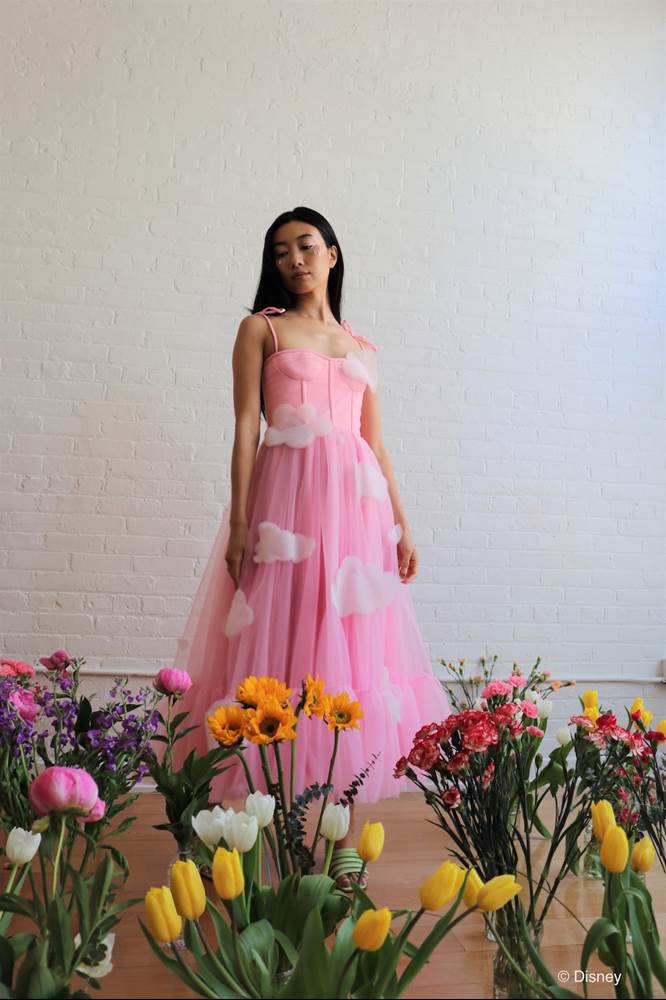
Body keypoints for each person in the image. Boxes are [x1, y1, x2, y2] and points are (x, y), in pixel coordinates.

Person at [172, 206, 451, 889]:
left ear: (332, 253)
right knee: (272, 648)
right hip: (285, 510)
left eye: (305, 246)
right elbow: (246, 427)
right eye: (280, 251)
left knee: (347, 656)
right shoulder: (260, 330)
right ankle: (237, 833)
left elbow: (375, 442)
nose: (293, 260)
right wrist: (240, 522)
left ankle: (340, 844)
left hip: (354, 516)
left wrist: (402, 524)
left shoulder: (361, 346)